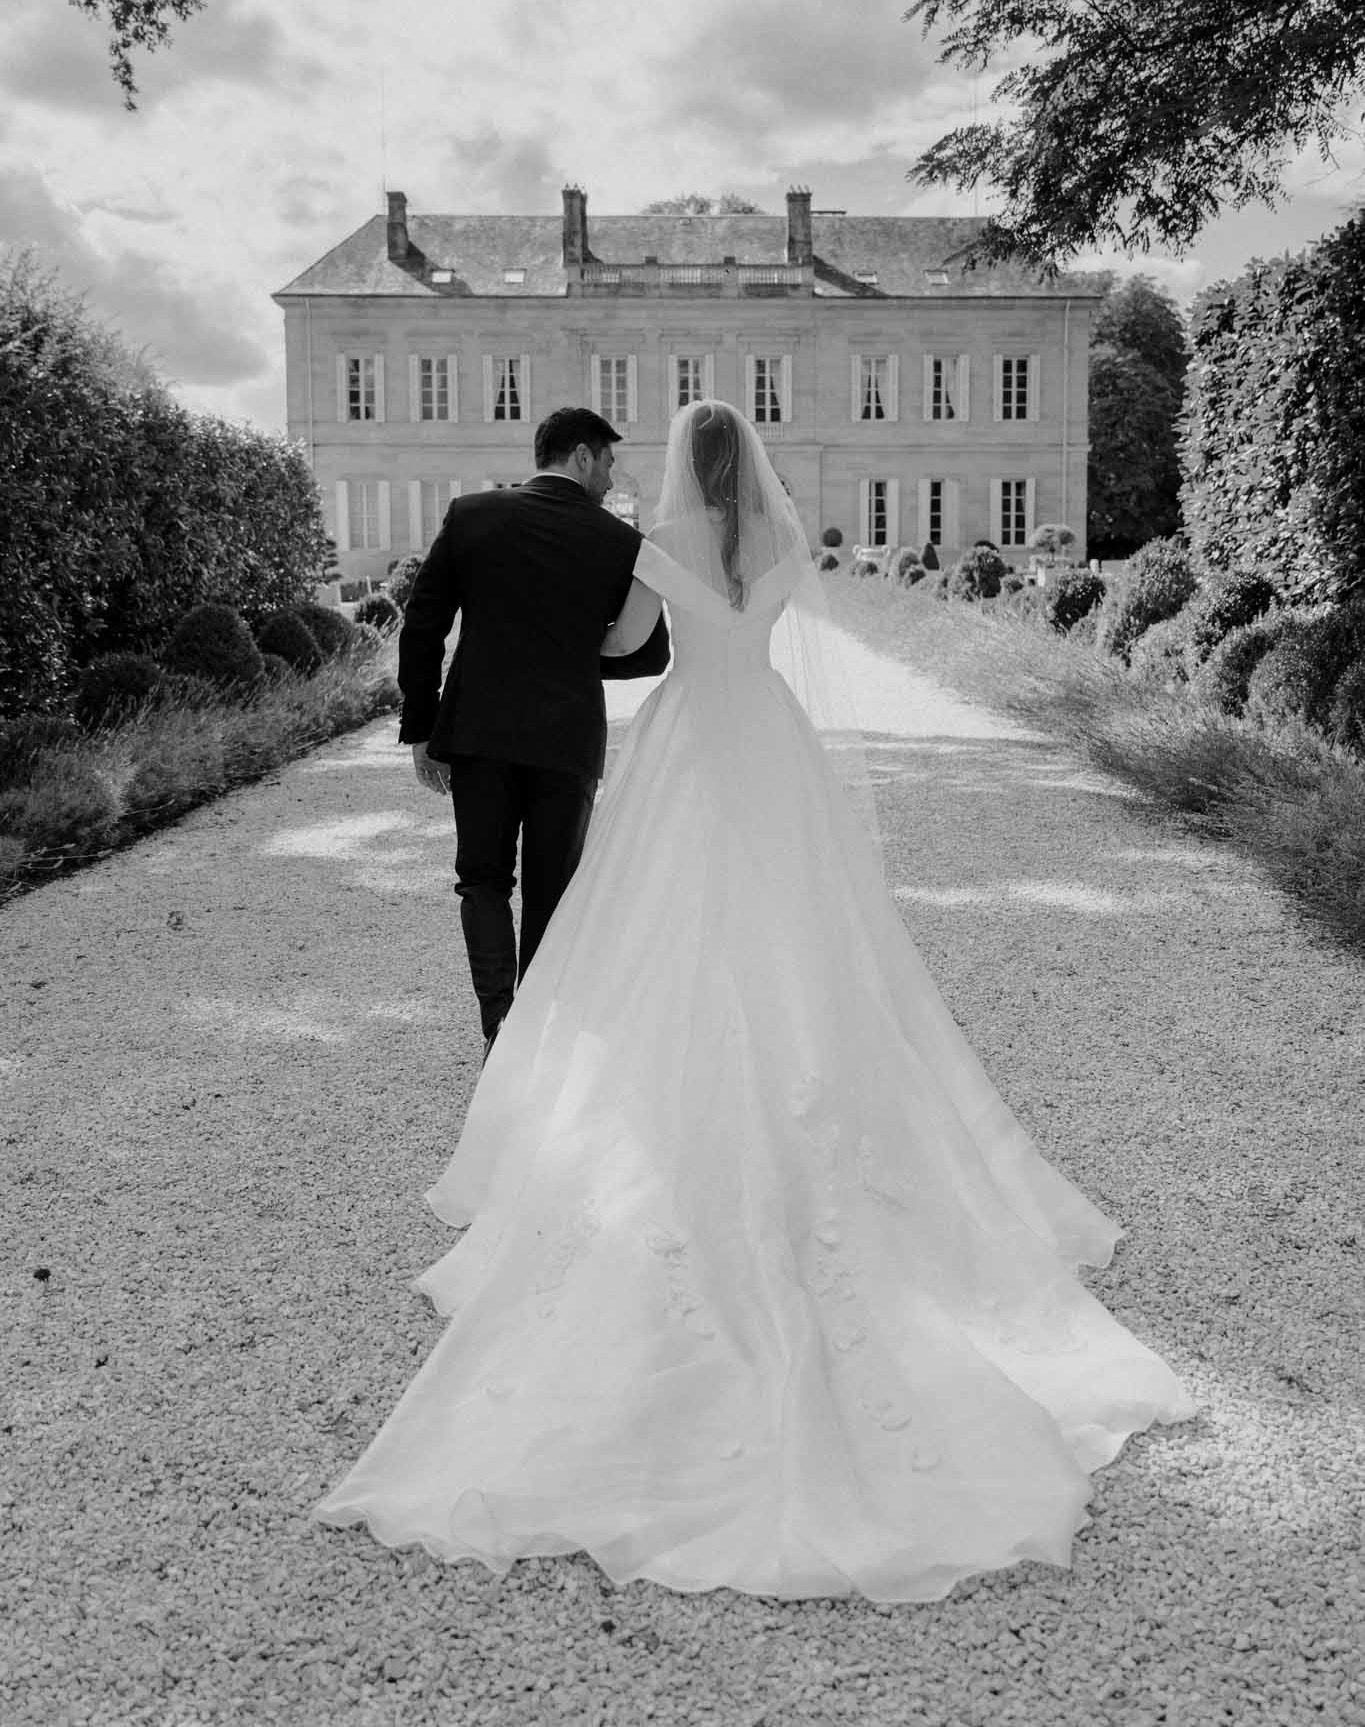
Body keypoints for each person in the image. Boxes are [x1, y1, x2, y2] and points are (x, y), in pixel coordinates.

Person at [315, 400, 1195, 1603]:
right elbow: (752, 623)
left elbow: (633, 644)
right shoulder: (783, 543)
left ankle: (586, 1064)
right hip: (767, 735)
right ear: (759, 467)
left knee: (648, 914)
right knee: (800, 920)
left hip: (688, 741)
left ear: (682, 463)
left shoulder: (656, 543)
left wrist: (582, 637)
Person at [396, 407, 670, 1060]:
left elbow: (422, 625)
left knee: (482, 881)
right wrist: (575, 653)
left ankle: (499, 1027)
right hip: (565, 741)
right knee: (552, 890)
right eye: (607, 460)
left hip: (479, 732)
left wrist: (420, 727)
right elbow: (648, 656)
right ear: (580, 455)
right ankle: (537, 1041)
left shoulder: (471, 516)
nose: (612, 475)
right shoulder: (619, 541)